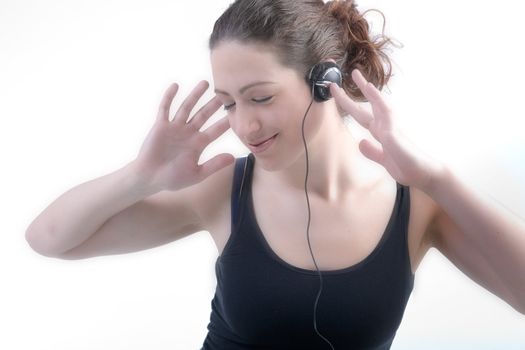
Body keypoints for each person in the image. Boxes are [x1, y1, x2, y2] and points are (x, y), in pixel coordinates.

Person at [25, 0, 525, 349]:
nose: (245, 125)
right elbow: (49, 239)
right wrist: (141, 176)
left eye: (260, 97)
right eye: (229, 104)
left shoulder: (419, 205)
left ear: (325, 82)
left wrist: (438, 180)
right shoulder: (222, 189)